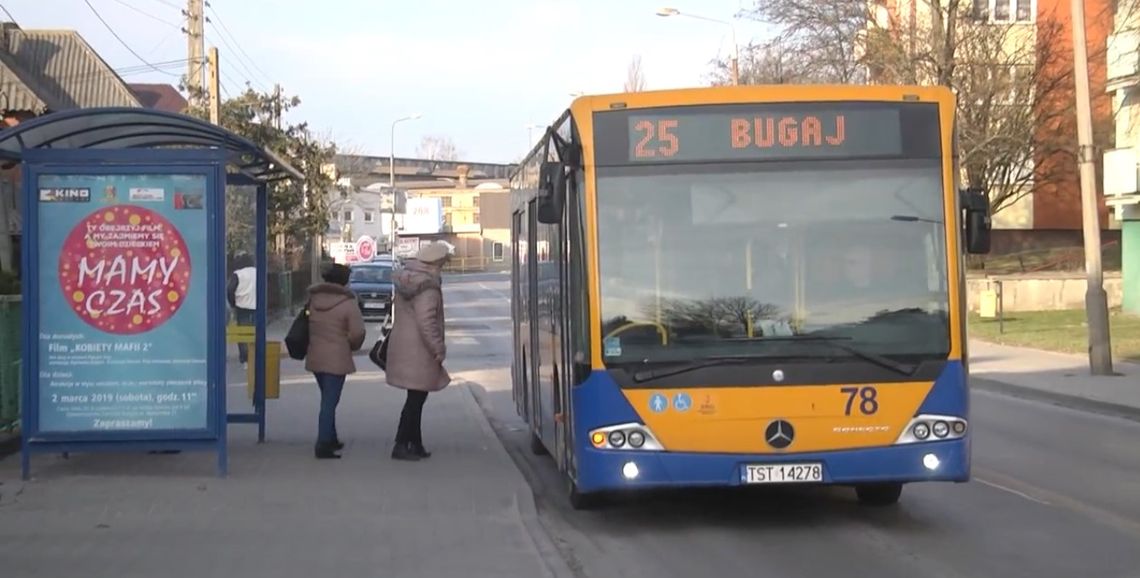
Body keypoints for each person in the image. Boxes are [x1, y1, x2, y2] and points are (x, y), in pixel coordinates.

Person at [385, 241, 451, 461]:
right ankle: (401, 444)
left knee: (416, 397)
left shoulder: (408, 280)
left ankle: (415, 443)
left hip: (404, 347)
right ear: (437, 263)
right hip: (419, 351)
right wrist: (438, 348)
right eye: (443, 263)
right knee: (415, 400)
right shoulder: (427, 287)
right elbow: (427, 322)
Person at [305, 263, 366, 459]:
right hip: (337, 358)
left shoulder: (313, 300)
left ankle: (331, 437)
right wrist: (351, 344)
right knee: (330, 402)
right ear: (344, 281)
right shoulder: (348, 303)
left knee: (327, 399)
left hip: (315, 355)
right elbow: (358, 333)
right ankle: (323, 445)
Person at [226, 253, 256, 368]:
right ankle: (255, 355)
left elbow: (230, 290)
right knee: (255, 332)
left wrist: (233, 303)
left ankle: (245, 359)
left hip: (242, 306)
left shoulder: (237, 274)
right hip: (256, 305)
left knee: (243, 334)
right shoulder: (258, 272)